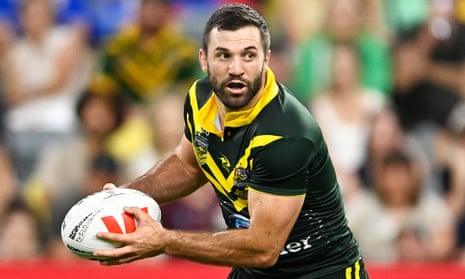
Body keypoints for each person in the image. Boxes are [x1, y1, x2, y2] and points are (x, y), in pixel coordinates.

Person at [94, 4, 369, 278]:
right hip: (254, 270)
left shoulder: (286, 135)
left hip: (320, 272)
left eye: (248, 55)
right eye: (223, 55)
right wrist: (125, 197)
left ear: (266, 59)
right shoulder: (199, 98)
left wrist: (166, 240)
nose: (236, 68)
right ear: (203, 60)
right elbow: (189, 165)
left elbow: (263, 248)